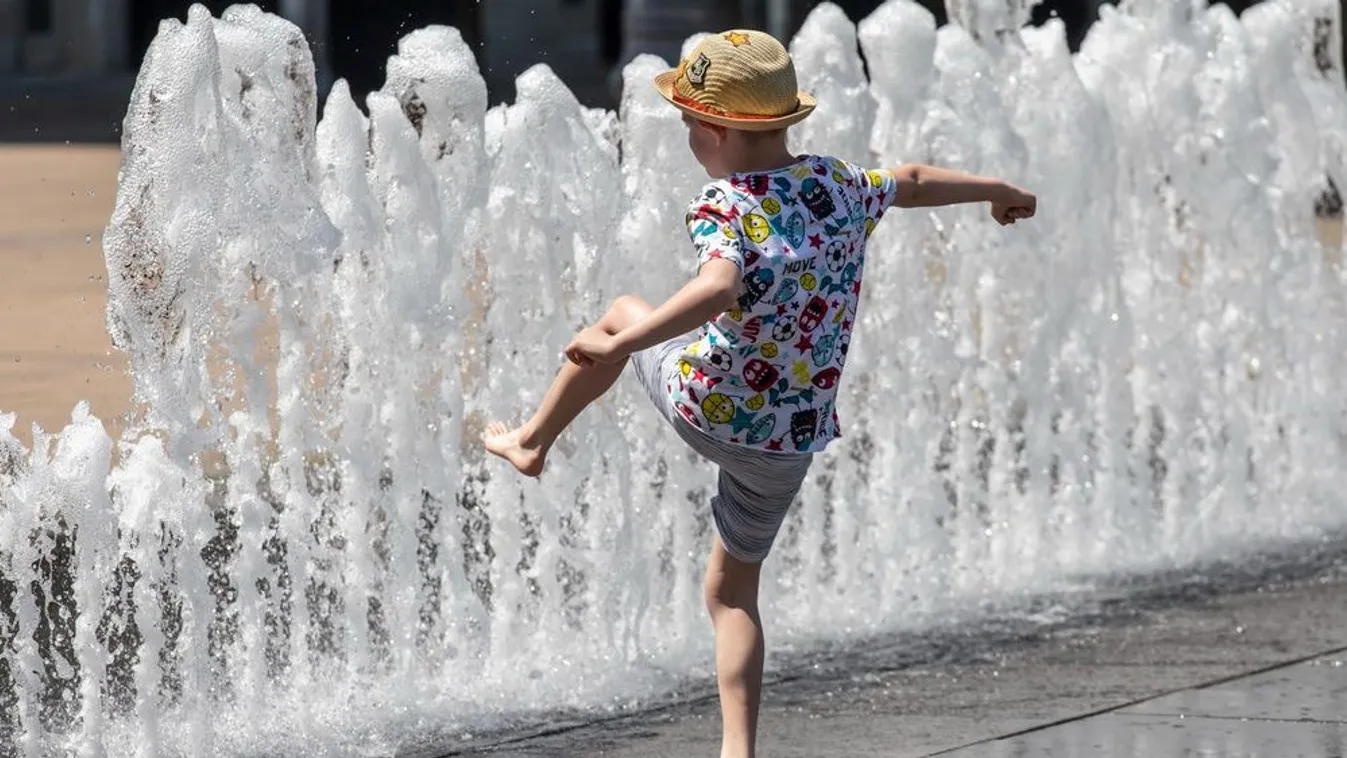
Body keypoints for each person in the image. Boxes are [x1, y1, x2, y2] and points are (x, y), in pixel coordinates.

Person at [485, 28, 1037, 758]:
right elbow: (910, 180)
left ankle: (530, 441)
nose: (687, 135)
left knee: (621, 309)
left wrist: (622, 343)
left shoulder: (724, 202)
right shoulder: (838, 184)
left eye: (688, 124)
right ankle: (736, 751)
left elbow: (716, 288)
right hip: (789, 439)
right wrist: (995, 190)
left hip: (710, 407)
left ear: (712, 131)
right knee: (732, 595)